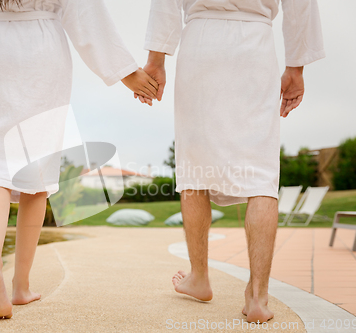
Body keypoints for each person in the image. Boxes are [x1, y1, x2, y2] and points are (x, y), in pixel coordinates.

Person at [0, 0, 158, 320]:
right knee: (37, 175)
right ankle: (20, 285)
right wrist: (126, 73)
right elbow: (85, 13)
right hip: (44, 53)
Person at [138, 0, 325, 323]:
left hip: (201, 45)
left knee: (194, 170)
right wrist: (296, 68)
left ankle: (199, 276)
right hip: (255, 47)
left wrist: (156, 60)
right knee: (260, 174)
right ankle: (257, 297)